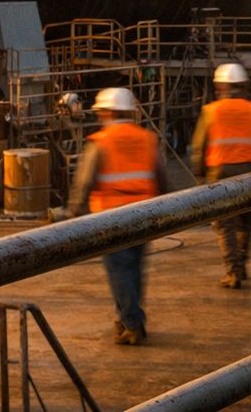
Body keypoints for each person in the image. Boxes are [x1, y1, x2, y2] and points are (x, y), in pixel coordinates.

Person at [66, 87, 168, 345]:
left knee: (119, 271)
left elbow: (85, 181)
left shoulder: (101, 142)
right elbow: (162, 177)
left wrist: (74, 213)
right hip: (145, 215)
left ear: (108, 112)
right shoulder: (147, 139)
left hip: (112, 218)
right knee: (135, 270)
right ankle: (127, 318)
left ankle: (132, 323)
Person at [190, 62, 251, 288]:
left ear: (219, 87)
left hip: (220, 173)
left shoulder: (210, 111)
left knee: (225, 225)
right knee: (247, 221)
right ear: (245, 85)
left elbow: (199, 147)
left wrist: (199, 176)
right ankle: (242, 263)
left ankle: (233, 271)